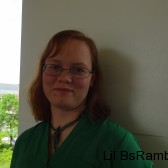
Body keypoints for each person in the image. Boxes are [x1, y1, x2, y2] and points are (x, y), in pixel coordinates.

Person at [10, 30, 153, 168]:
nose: (64, 78)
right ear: (42, 72)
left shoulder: (117, 142)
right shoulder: (24, 142)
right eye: (54, 67)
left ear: (92, 79)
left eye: (78, 70)